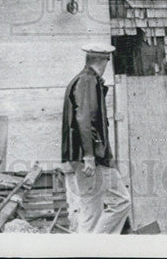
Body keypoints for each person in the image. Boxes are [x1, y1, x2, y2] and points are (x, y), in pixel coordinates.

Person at [61, 42, 131, 234]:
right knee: (121, 202)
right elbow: (84, 118)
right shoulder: (87, 81)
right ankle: (96, 247)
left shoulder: (82, 80)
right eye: (107, 60)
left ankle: (86, 249)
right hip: (91, 159)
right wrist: (90, 156)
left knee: (91, 212)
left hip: (84, 158)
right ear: (103, 61)